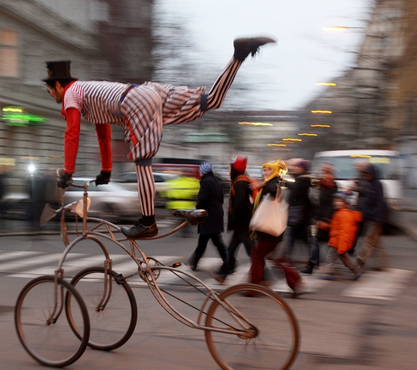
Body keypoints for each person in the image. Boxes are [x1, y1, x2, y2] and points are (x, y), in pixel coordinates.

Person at [44, 36, 277, 238]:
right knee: (210, 100)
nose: (51, 95)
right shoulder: (89, 91)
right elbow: (102, 131)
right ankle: (238, 55)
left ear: (58, 85)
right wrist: (106, 171)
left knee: (142, 161)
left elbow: (71, 132)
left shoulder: (71, 93)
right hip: (148, 93)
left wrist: (67, 172)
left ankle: (147, 222)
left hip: (135, 101)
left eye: (50, 90)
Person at [248, 160, 305, 296]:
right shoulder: (277, 182)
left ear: (274, 171)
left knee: (257, 257)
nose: (265, 173)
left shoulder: (274, 183)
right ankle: (295, 283)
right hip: (273, 229)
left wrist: (263, 184)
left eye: (268, 170)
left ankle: (252, 289)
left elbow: (273, 192)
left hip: (268, 229)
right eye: (264, 170)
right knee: (275, 258)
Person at [216, 156, 254, 280]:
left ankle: (264, 275)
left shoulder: (240, 182)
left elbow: (240, 204)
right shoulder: (241, 180)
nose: (228, 169)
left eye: (230, 167)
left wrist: (235, 219)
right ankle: (225, 272)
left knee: (250, 250)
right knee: (231, 248)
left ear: (235, 168)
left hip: (241, 222)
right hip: (241, 221)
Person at [187, 162, 228, 272]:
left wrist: (198, 211)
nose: (199, 172)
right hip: (216, 214)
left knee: (212, 241)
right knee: (207, 241)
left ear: (203, 171)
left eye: (200, 170)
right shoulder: (215, 181)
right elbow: (221, 198)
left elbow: (202, 200)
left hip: (208, 215)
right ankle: (194, 262)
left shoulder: (206, 182)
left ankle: (228, 262)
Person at [318, 193, 363, 280]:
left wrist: (342, 247)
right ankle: (356, 270)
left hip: (339, 242)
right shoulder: (339, 213)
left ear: (345, 203)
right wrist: (325, 225)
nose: (337, 203)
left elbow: (345, 232)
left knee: (330, 257)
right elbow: (336, 226)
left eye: (340, 201)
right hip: (338, 241)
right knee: (344, 258)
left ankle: (328, 272)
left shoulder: (344, 214)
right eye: (336, 201)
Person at [282, 158, 316, 270]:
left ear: (302, 168)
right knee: (295, 237)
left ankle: (313, 259)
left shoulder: (303, 180)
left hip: (300, 214)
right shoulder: (301, 178)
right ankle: (287, 258)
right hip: (299, 214)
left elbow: (296, 189)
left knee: (304, 239)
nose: (294, 168)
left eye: (297, 167)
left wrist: (286, 183)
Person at [354, 163, 389, 271]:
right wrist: (363, 213)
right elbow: (367, 202)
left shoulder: (378, 185)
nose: (366, 176)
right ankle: (383, 264)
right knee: (376, 242)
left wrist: (377, 218)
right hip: (370, 217)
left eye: (367, 174)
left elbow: (379, 202)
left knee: (368, 240)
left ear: (372, 173)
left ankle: (360, 260)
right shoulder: (370, 184)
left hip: (376, 218)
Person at [308, 162, 338, 274]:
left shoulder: (332, 186)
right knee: (318, 241)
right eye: (323, 172)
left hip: (325, 219)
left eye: (327, 172)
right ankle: (315, 263)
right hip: (318, 217)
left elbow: (331, 204)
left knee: (323, 241)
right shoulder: (321, 185)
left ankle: (315, 264)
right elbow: (315, 200)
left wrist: (326, 219)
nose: (324, 175)